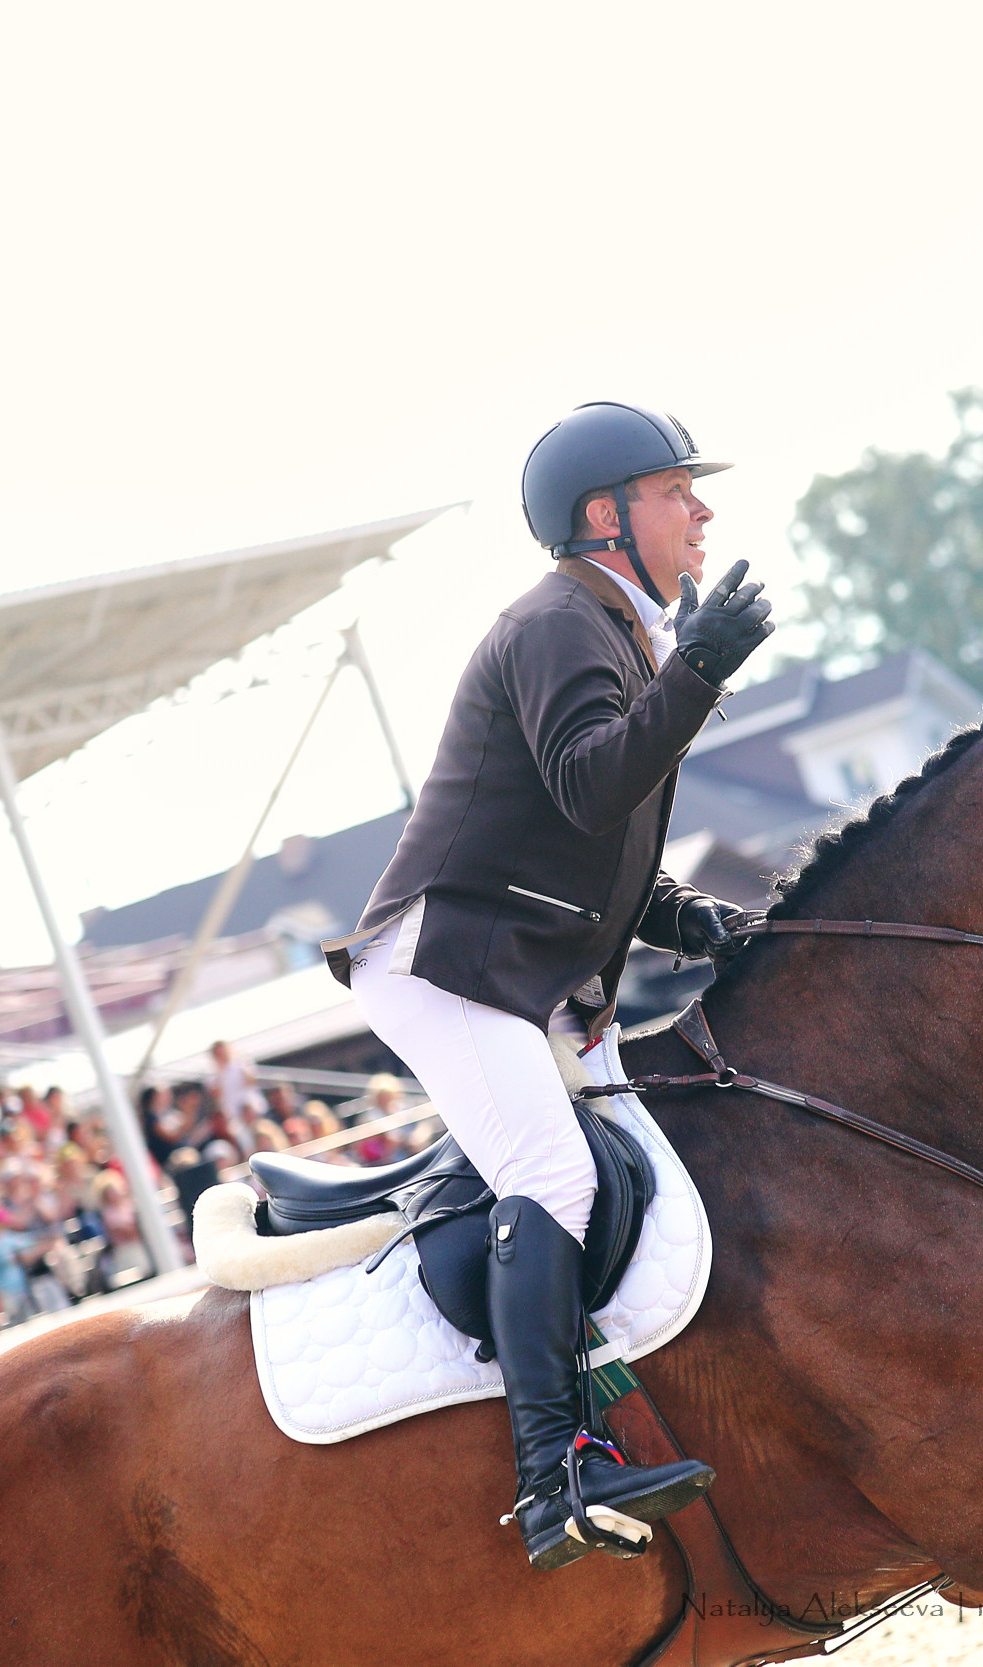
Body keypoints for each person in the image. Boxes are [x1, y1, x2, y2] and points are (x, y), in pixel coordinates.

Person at [324, 402, 759, 1567]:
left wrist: (683, 916)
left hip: (523, 966)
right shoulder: (562, 620)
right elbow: (586, 789)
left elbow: (591, 848)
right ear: (605, 516)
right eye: (678, 492)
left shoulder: (616, 627)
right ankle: (552, 1477)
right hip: (453, 966)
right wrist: (705, 669)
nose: (702, 511)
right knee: (553, 1173)